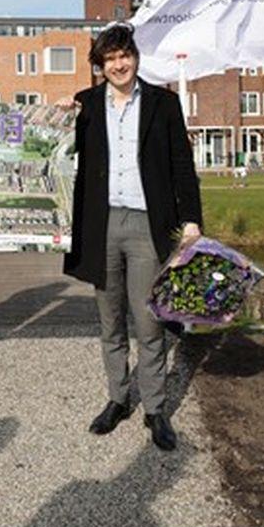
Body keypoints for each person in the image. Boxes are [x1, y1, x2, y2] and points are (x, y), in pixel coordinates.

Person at [62, 22, 203, 452]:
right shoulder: (83, 105)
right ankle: (118, 399)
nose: (119, 64)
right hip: (100, 224)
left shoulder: (163, 103)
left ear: (135, 58)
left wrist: (192, 220)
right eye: (110, 59)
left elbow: (182, 166)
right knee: (109, 321)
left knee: (149, 321)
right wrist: (55, 118)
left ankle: (155, 409)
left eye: (125, 55)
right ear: (100, 65)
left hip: (147, 224)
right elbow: (49, 152)